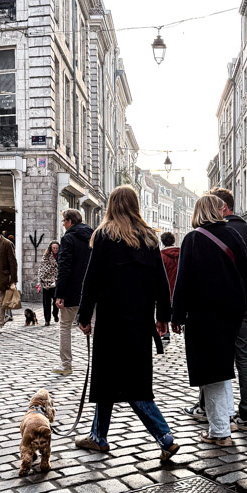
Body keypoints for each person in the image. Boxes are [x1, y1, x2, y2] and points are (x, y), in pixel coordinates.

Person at [75, 186, 179, 461]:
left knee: (129, 384)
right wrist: (162, 318)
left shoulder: (105, 236)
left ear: (111, 206)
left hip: (111, 322)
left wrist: (84, 317)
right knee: (116, 379)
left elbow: (92, 280)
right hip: (139, 322)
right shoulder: (148, 239)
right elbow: (161, 282)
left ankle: (165, 436)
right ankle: (98, 435)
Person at [172, 193, 247, 446]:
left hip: (203, 314)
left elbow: (183, 281)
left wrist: (177, 315)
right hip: (231, 312)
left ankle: (219, 432)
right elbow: (246, 276)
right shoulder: (235, 236)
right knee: (222, 366)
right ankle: (226, 418)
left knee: (210, 371)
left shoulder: (193, 239)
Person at [184, 187, 247, 429]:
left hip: (216, 305)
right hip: (243, 301)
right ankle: (246, 412)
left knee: (213, 356)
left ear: (222, 207)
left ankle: (209, 411)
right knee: (241, 355)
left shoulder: (208, 234)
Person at [52, 209, 93, 375]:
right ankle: (98, 364)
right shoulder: (94, 236)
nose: (63, 224)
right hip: (91, 289)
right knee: (95, 325)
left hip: (72, 290)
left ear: (69, 221)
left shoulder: (68, 238)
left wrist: (59, 293)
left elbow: (64, 268)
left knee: (65, 326)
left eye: (64, 221)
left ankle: (66, 364)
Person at [160, 231, 181, 342]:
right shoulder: (181, 253)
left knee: (164, 310)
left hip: (167, 289)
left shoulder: (161, 256)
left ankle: (166, 331)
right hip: (179, 288)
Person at [37, 241, 59, 327]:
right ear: (50, 248)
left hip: (56, 282)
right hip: (46, 282)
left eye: (57, 248)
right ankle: (47, 320)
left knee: (56, 301)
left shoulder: (61, 256)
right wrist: (40, 281)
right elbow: (42, 268)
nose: (55, 250)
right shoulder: (46, 257)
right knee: (46, 303)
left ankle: (55, 314)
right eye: (54, 248)